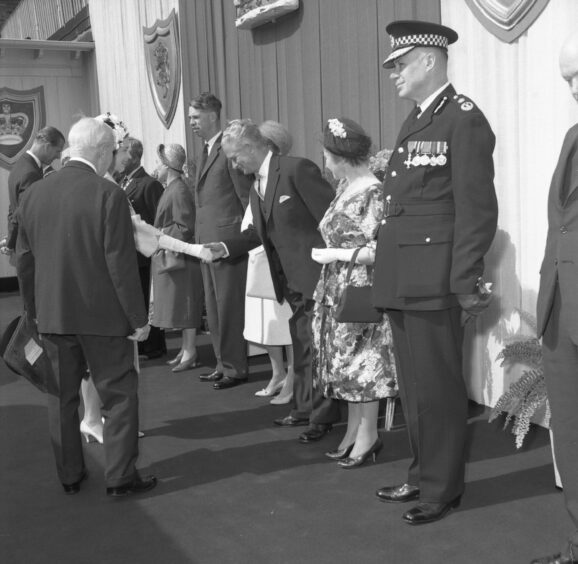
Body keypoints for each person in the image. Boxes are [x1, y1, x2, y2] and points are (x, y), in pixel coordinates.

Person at [372, 20, 498, 524]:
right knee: (416, 386)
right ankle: (423, 473)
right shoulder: (420, 118)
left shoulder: (462, 118)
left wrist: (465, 279)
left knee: (439, 388)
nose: (393, 75)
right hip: (405, 273)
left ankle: (442, 488)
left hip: (436, 278)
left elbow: (476, 208)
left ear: (429, 59)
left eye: (400, 64)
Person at [16, 117, 157, 496]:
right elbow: (119, 263)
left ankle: (70, 475)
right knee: (120, 396)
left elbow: (25, 260)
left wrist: (33, 311)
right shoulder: (108, 194)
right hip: (103, 319)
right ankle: (121, 476)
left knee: (60, 399)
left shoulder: (33, 195)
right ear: (101, 151)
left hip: (53, 316)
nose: (114, 158)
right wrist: (138, 318)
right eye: (112, 151)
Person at [205, 119, 341, 444]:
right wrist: (224, 247)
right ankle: (307, 409)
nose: (235, 166)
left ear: (252, 148)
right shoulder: (256, 186)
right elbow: (257, 233)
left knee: (313, 347)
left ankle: (319, 417)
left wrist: (336, 268)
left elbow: (332, 217)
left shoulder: (296, 170)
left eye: (236, 158)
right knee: (304, 347)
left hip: (317, 279)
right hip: (290, 283)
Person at [311, 118, 397, 468]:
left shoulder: (373, 192)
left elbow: (382, 249)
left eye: (327, 156)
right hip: (336, 285)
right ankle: (353, 430)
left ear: (341, 156)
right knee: (344, 365)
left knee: (363, 364)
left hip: (360, 287)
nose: (325, 163)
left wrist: (338, 254)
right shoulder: (344, 186)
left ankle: (368, 436)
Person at [533, 31, 578, 564]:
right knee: (570, 439)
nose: (572, 86)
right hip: (562, 312)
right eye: (566, 77)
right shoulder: (572, 136)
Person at [189, 92, 253, 389]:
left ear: (212, 116)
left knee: (229, 307)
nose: (191, 122)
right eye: (190, 117)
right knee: (213, 308)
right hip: (206, 242)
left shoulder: (228, 150)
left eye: (195, 117)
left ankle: (235, 367)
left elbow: (244, 196)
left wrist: (245, 238)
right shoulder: (203, 150)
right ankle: (221, 361)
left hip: (228, 241)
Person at [246, 120, 295, 402]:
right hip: (258, 259)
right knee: (263, 321)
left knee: (284, 324)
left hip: (280, 263)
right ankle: (278, 373)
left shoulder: (290, 173)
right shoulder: (256, 180)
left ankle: (292, 379)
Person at [150, 143, 204, 372]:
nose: (155, 167)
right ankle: (186, 348)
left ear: (168, 166)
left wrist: (160, 234)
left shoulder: (178, 190)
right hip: (176, 259)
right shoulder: (172, 188)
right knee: (181, 305)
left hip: (181, 260)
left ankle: (190, 350)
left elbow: (186, 226)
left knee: (185, 306)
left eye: (158, 162)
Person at [115, 136, 166, 360]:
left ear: (135, 156)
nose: (120, 155)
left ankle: (154, 345)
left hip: (145, 254)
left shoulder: (149, 184)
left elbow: (158, 219)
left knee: (148, 299)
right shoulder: (122, 181)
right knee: (139, 299)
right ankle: (145, 344)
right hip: (131, 254)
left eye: (125, 151)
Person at [1, 126, 65, 255]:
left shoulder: (22, 164)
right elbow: (21, 213)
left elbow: (13, 208)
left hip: (23, 246)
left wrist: (11, 239)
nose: (58, 156)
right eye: (58, 151)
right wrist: (11, 243)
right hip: (29, 250)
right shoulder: (31, 173)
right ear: (46, 146)